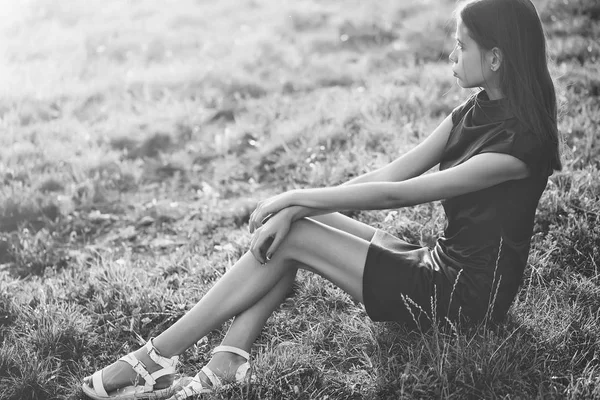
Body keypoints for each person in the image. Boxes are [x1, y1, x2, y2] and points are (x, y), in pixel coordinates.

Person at [82, 0, 562, 398]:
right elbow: (390, 171)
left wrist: (295, 197)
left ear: (495, 58)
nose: (451, 56)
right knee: (298, 227)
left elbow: (400, 193)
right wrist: (298, 208)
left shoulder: (520, 147)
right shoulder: (474, 111)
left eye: (461, 46)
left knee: (300, 230)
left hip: (465, 297)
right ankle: (227, 361)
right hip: (438, 261)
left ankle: (155, 358)